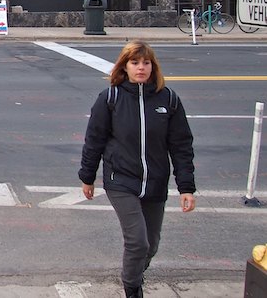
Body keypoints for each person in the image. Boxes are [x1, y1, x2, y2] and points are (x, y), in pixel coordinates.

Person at [79, 41, 196, 298]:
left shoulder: (169, 99)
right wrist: (87, 177)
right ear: (125, 67)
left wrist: (186, 187)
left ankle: (134, 272)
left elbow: (181, 146)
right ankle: (132, 288)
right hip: (120, 180)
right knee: (137, 242)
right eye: (134, 63)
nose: (141, 68)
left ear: (153, 67)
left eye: (146, 63)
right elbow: (94, 140)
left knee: (151, 245)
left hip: (155, 182)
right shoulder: (111, 98)